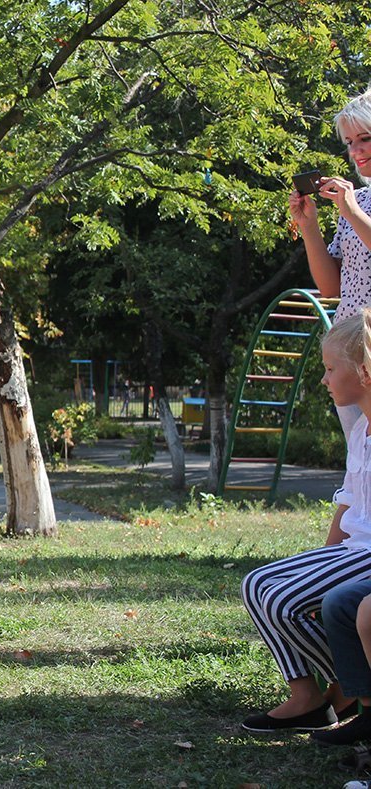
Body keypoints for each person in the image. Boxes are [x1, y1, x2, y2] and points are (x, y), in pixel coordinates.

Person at [240, 310, 371, 733]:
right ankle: (309, 696)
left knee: (283, 601)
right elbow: (348, 502)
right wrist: (323, 561)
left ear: (365, 371)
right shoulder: (360, 431)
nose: (324, 379)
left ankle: (354, 686)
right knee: (256, 585)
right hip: (354, 551)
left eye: (331, 369)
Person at [291, 87, 371, 436]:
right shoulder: (357, 199)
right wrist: (308, 227)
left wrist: (351, 210)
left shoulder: (352, 204)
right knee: (358, 460)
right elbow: (331, 288)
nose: (356, 152)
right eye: (350, 142)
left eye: (364, 138)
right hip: (350, 352)